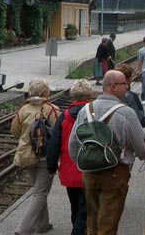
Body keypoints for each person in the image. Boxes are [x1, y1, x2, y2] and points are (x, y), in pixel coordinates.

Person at [69, 70, 145, 235]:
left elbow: (73, 145)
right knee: (107, 226)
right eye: (125, 84)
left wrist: (86, 163)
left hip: (89, 174)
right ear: (114, 87)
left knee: (92, 224)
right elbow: (140, 145)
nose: (128, 87)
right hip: (115, 173)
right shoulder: (126, 113)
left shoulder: (85, 111)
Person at [12, 78, 60, 235]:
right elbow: (59, 133)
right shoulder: (51, 109)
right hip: (45, 157)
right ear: (46, 92)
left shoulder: (23, 110)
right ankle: (23, 229)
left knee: (39, 190)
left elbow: (15, 131)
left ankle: (42, 225)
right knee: (40, 193)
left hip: (27, 156)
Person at [47, 79, 91, 235]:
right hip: (88, 169)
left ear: (73, 95)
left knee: (75, 206)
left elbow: (54, 143)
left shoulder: (64, 117)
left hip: (68, 168)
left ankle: (78, 228)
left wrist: (51, 166)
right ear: (89, 94)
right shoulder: (93, 114)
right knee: (85, 209)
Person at [116, 63, 145, 127]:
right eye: (131, 77)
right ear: (127, 79)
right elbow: (141, 119)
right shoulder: (131, 96)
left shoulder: (106, 95)